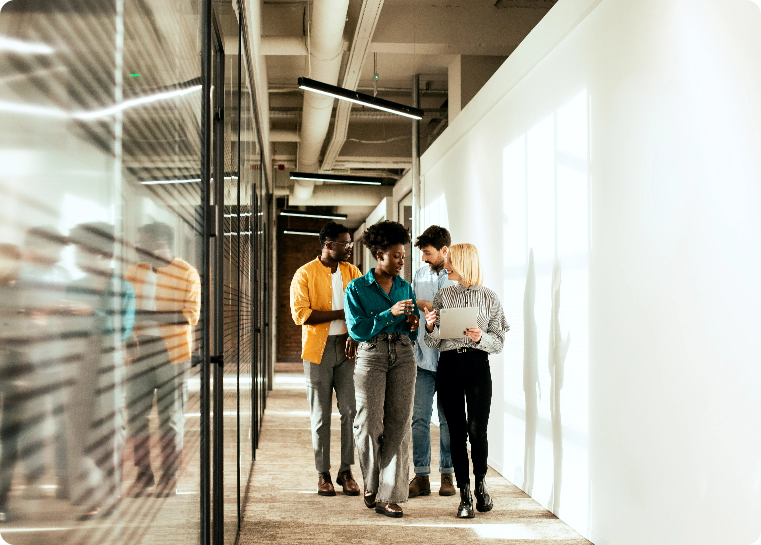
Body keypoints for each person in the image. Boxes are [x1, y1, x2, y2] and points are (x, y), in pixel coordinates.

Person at [423, 243, 509, 518]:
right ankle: (464, 494)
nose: (444, 265)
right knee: (456, 433)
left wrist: (479, 338)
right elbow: (432, 341)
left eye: (449, 261)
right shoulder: (442, 296)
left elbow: (498, 343)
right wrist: (429, 326)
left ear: (463, 263)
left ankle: (481, 485)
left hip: (477, 365)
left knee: (477, 430)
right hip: (449, 365)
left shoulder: (489, 297)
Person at [344, 220, 420, 518]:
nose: (402, 261)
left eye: (403, 255)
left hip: (403, 354)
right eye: (396, 255)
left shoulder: (405, 286)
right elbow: (358, 329)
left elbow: (412, 330)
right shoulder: (357, 288)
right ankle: (371, 484)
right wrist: (390, 313)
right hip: (371, 355)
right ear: (379, 255)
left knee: (399, 426)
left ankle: (389, 495)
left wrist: (413, 325)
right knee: (368, 424)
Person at [124, 222, 200, 497]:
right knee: (134, 417)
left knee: (169, 419)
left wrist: (143, 315)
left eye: (141, 242)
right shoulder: (135, 272)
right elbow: (125, 311)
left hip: (173, 355)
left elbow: (188, 315)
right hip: (138, 352)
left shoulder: (186, 273)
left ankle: (169, 478)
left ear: (158, 244)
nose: (136, 247)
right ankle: (143, 475)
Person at [67, 222, 135, 517]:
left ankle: (110, 494)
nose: (78, 257)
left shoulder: (122, 287)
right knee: (79, 425)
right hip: (77, 358)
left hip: (108, 357)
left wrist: (90, 314)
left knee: (109, 427)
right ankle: (91, 493)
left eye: (82, 251)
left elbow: (122, 330)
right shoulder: (75, 286)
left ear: (99, 252)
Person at [289, 221, 362, 496]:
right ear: (329, 245)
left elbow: (361, 308)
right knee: (320, 415)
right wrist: (340, 314)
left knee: (350, 411)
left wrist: (353, 333)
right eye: (345, 244)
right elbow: (301, 314)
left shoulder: (352, 272)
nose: (349, 249)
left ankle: (346, 471)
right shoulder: (304, 274)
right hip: (317, 351)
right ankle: (323, 474)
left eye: (350, 243)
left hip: (347, 349)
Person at [408, 225, 455, 498]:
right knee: (419, 419)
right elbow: (416, 312)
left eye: (427, 253)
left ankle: (447, 476)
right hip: (423, 359)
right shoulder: (419, 274)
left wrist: (424, 304)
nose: (424, 258)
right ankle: (421, 475)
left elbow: (456, 313)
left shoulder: (457, 277)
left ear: (444, 250)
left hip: (449, 359)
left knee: (448, 420)